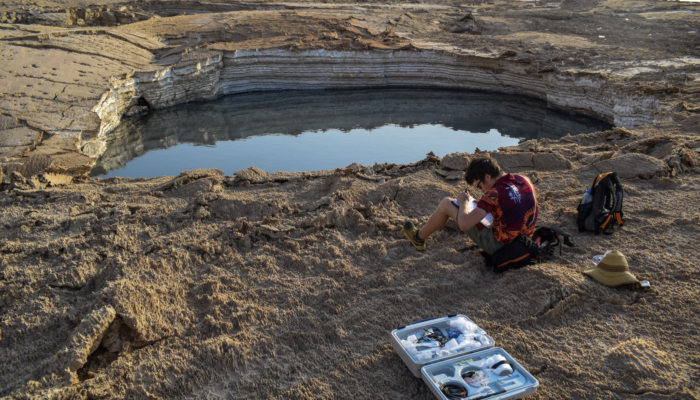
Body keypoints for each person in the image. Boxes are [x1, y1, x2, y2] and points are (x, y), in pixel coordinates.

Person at [403, 157, 538, 255]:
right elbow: (511, 202)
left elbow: (464, 224)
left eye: (479, 185)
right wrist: (482, 202)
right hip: (526, 238)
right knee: (477, 206)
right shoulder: (523, 179)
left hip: (502, 246)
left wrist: (464, 202)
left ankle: (418, 239)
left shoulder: (494, 194)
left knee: (446, 203)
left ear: (487, 176)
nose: (481, 190)